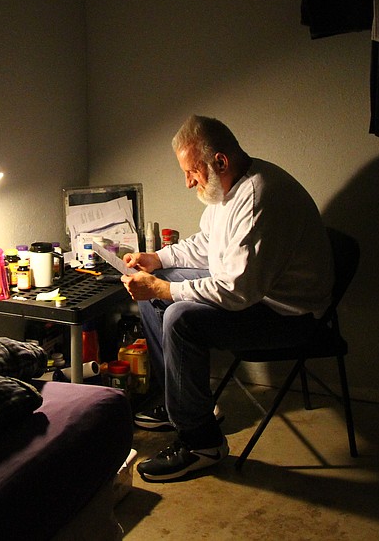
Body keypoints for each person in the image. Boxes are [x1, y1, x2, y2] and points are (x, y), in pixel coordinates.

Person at [121, 115, 334, 482]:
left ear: (220, 161)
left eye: (193, 172)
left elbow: (235, 291)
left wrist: (166, 290)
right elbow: (208, 245)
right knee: (152, 286)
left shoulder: (258, 198)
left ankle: (201, 442)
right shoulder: (227, 189)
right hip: (256, 297)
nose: (188, 182)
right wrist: (157, 261)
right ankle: (183, 402)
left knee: (178, 316)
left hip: (288, 318)